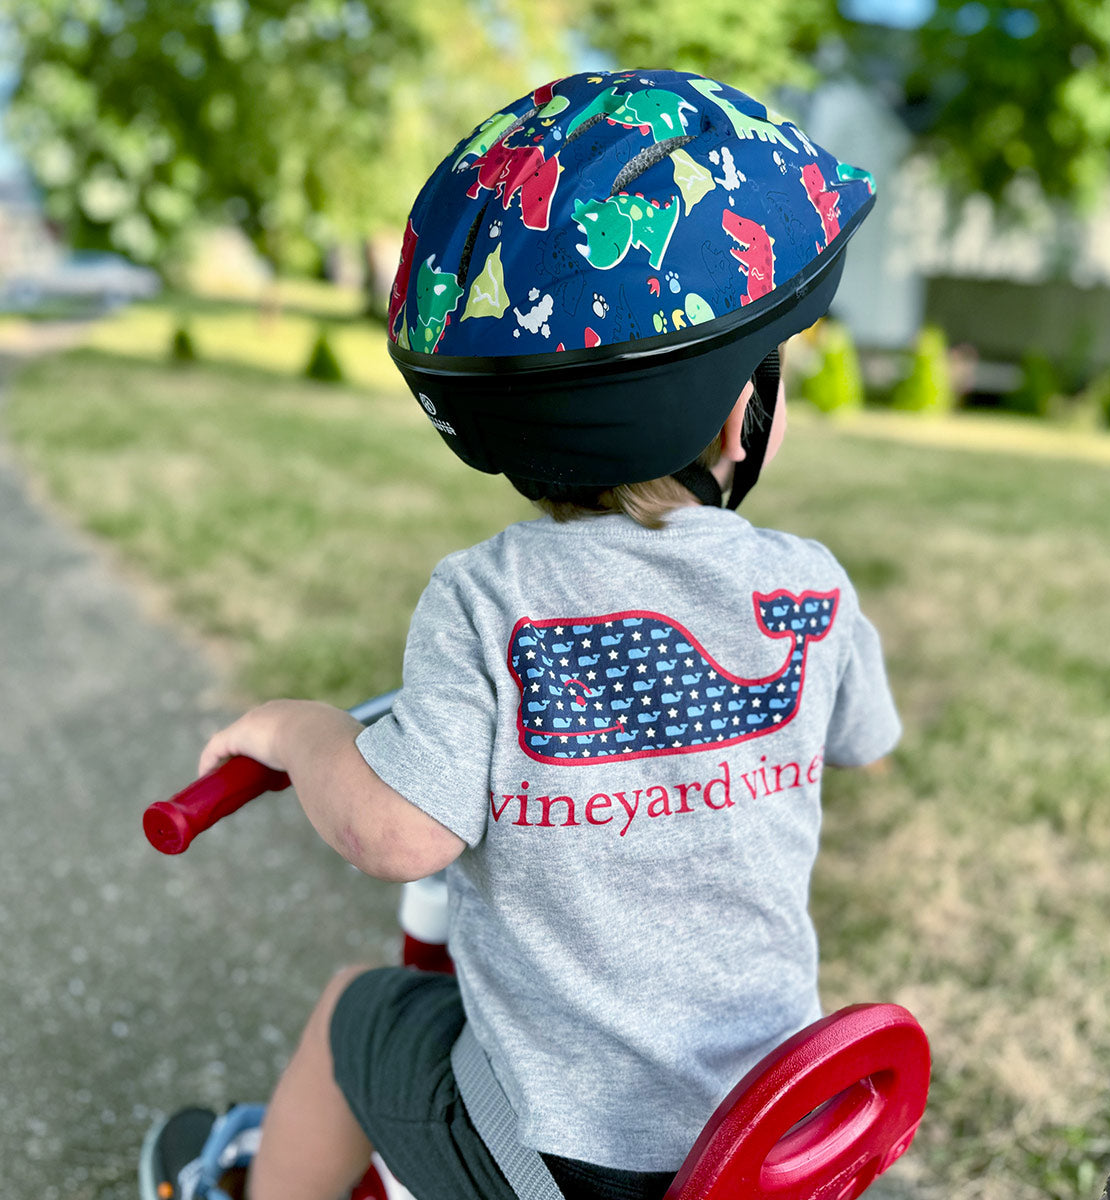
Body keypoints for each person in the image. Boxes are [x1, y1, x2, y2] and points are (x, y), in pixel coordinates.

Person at [145, 68, 900, 1200]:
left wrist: (306, 735)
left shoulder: (486, 599)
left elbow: (403, 837)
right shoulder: (811, 590)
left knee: (357, 1012)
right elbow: (866, 737)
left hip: (554, 1156)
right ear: (745, 414)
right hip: (763, 1130)